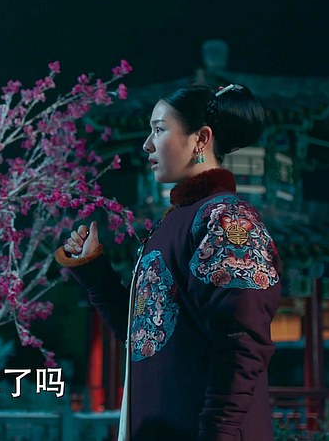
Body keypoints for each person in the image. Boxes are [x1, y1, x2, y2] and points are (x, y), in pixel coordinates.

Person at [57, 84, 281, 440]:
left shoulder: (228, 220)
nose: (147, 144)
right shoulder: (173, 222)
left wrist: (218, 433)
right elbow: (144, 336)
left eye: (159, 130)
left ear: (200, 139)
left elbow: (242, 344)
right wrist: (96, 274)